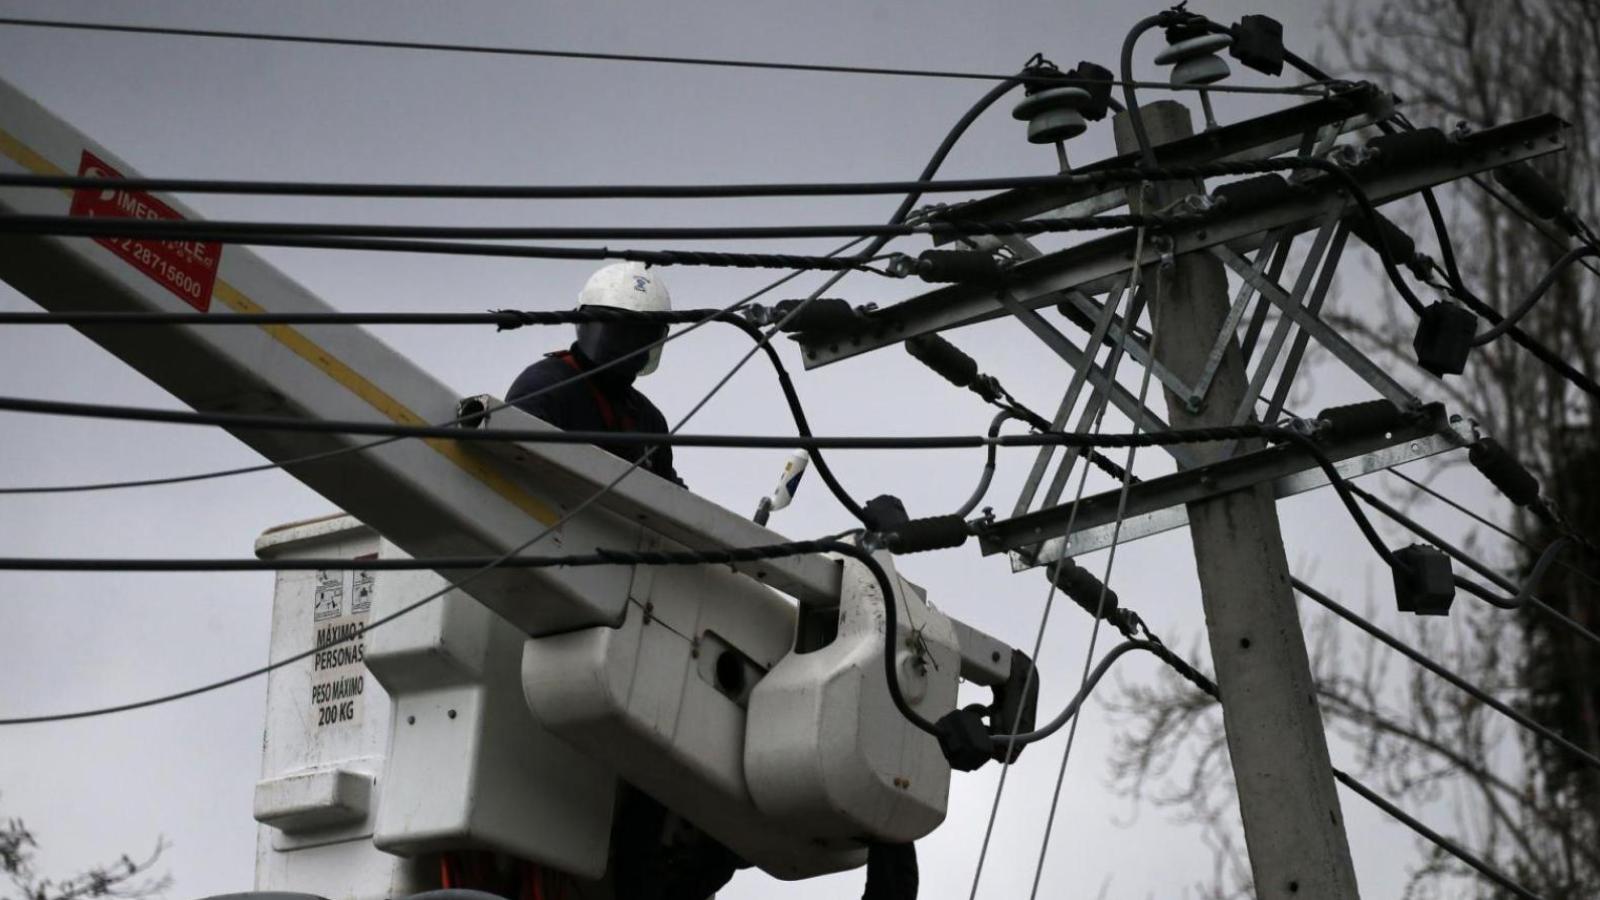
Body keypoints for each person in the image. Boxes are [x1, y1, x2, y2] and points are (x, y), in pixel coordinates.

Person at [507, 262, 683, 486]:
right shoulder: (546, 385)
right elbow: (512, 460)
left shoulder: (648, 420)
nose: (629, 346)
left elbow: (672, 496)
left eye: (641, 336)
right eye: (620, 333)